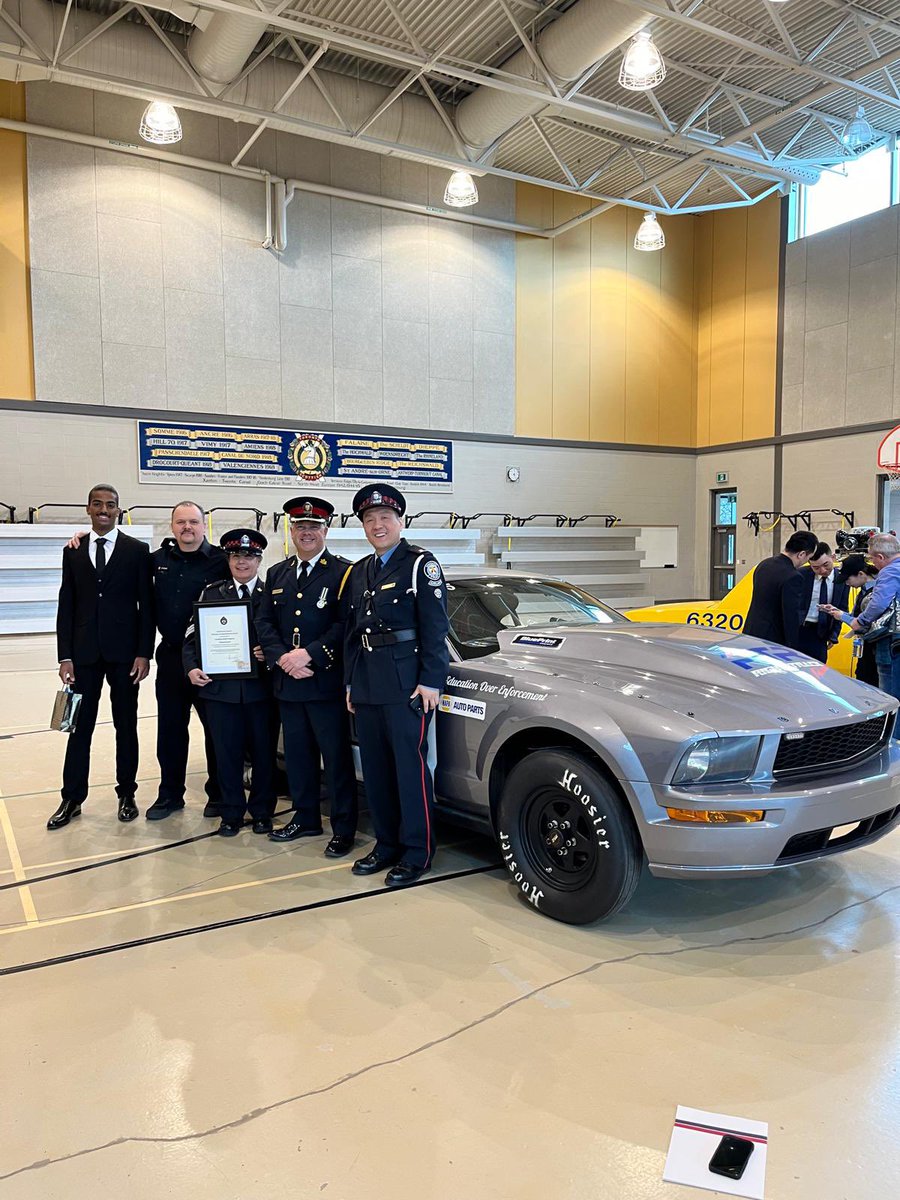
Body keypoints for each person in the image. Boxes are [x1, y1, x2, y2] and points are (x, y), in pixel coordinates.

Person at [343, 483, 450, 887]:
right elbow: (353, 632)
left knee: (410, 769)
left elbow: (436, 627)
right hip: (369, 683)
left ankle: (417, 852)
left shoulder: (420, 563)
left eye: (385, 518)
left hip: (408, 684)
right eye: (369, 520)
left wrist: (430, 681)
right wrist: (351, 683)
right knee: (376, 771)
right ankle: (386, 844)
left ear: (399, 520)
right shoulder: (360, 571)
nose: (377, 525)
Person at [256, 496, 358, 857]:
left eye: (314, 526)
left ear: (326, 530)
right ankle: (305, 817)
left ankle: (343, 827)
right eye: (301, 526)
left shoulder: (345, 573)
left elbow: (345, 624)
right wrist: (282, 658)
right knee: (298, 757)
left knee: (335, 760)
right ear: (292, 530)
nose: (307, 532)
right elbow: (264, 621)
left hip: (323, 681)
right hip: (288, 681)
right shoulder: (277, 574)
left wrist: (309, 655)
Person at [48, 484, 154, 829]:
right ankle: (72, 798)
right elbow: (67, 604)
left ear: (118, 510)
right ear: (89, 509)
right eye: (98, 505)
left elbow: (147, 607)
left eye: (110, 505)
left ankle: (127, 793)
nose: (104, 510)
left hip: (125, 656)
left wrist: (143, 653)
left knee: (126, 726)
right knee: (78, 727)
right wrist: (65, 656)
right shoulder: (74, 551)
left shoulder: (137, 551)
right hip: (83, 656)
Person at [183, 529, 276, 837]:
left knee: (264, 755)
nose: (242, 561)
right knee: (226, 754)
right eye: (236, 555)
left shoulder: (272, 594)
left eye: (249, 556)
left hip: (261, 691)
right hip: (220, 692)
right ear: (228, 559)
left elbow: (284, 637)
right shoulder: (212, 593)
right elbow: (190, 640)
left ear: (259, 559)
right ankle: (231, 812)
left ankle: (263, 812)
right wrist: (192, 667)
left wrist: (270, 652)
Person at [146, 501, 230, 821]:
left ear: (203, 525)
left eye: (193, 522)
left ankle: (219, 794)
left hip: (211, 658)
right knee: (170, 730)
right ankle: (170, 795)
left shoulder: (222, 560)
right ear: (172, 527)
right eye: (180, 522)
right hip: (170, 658)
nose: (187, 528)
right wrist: (83, 537)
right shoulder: (157, 561)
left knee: (216, 729)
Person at [743, 530, 819, 649]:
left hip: (752, 632)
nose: (806, 562)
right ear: (801, 554)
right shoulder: (793, 576)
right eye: (809, 557)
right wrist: (792, 647)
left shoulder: (764, 564)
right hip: (773, 640)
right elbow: (790, 616)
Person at [846, 533, 900, 700]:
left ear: (881, 556)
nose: (873, 564)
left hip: (893, 641)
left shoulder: (889, 571)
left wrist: (860, 621)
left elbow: (878, 603)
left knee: (890, 697)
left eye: (872, 559)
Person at [819, 555, 878, 685]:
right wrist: (835, 611)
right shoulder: (863, 591)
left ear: (861, 574)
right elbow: (858, 617)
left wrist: (842, 616)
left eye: (848, 579)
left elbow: (865, 624)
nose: (847, 583)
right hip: (867, 650)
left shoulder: (876, 593)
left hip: (876, 650)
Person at [797, 542, 849, 664]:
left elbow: (842, 607)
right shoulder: (801, 575)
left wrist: (834, 634)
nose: (822, 570)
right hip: (799, 630)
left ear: (833, 557)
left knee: (817, 671)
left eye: (826, 565)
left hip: (820, 633)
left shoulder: (841, 579)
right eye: (816, 567)